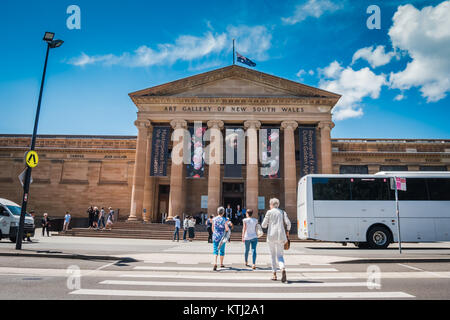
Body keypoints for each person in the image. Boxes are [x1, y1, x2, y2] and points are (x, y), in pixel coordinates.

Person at [262, 198, 291, 283]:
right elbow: (288, 223)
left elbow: (263, 225)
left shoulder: (269, 212)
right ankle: (282, 268)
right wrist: (288, 231)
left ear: (271, 204)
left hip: (271, 235)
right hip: (281, 236)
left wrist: (267, 223)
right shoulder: (282, 212)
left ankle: (274, 274)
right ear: (277, 204)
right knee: (280, 255)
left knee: (272, 255)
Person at [212, 207, 231, 271]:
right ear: (223, 212)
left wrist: (215, 233)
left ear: (217, 212)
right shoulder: (225, 219)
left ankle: (215, 263)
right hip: (222, 237)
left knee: (215, 250)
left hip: (215, 236)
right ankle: (221, 263)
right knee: (222, 250)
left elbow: (212, 228)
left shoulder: (214, 219)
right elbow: (226, 228)